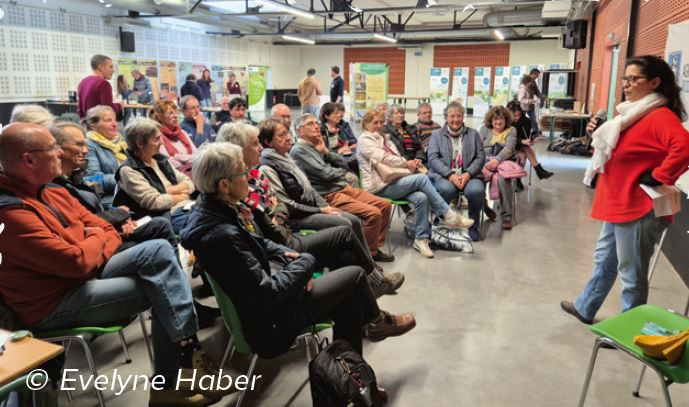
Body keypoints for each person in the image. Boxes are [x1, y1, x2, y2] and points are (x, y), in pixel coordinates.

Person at [0, 123, 225, 406]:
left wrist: (92, 237)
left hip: (84, 275)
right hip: (53, 303)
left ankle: (185, 356)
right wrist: (94, 237)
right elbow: (76, 261)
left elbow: (104, 227)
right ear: (29, 160)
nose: (59, 152)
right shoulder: (10, 212)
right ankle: (176, 373)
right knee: (164, 290)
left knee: (157, 249)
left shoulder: (52, 191)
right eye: (52, 148)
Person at [179, 142, 416, 360]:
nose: (248, 177)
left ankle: (354, 364)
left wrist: (290, 259)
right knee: (353, 277)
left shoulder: (215, 209)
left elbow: (259, 243)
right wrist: (303, 266)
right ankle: (372, 326)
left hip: (270, 292)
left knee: (345, 267)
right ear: (224, 185)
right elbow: (267, 293)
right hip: (271, 323)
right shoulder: (222, 234)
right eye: (243, 173)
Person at [561, 55, 689, 325]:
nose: (626, 85)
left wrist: (659, 175)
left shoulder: (659, 116)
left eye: (633, 79)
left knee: (631, 273)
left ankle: (629, 327)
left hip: (638, 206)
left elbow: (684, 147)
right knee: (605, 259)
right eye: (625, 79)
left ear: (654, 83)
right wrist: (597, 133)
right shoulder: (632, 114)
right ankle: (585, 307)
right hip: (618, 201)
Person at [217, 122, 403, 297]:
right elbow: (285, 206)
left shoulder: (269, 167)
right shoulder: (263, 171)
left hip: (311, 206)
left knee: (348, 247)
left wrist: (320, 204)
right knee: (348, 225)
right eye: (282, 135)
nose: (260, 148)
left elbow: (283, 201)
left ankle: (368, 290)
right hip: (296, 221)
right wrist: (314, 210)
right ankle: (374, 278)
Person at [357, 110, 474, 258]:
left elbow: (396, 157)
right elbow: (384, 158)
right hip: (378, 187)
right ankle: (447, 215)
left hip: (393, 180)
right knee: (421, 179)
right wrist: (407, 163)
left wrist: (410, 163)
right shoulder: (364, 140)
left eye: (381, 122)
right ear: (365, 124)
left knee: (421, 198)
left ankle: (420, 239)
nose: (379, 125)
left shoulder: (384, 138)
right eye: (375, 123)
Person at [258, 118, 373, 254]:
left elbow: (310, 188)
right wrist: (321, 210)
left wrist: (325, 207)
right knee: (345, 222)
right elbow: (287, 205)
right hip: (297, 216)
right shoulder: (270, 165)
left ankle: (366, 262)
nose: (288, 138)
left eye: (288, 133)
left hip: (316, 203)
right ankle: (358, 262)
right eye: (282, 135)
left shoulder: (287, 158)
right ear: (268, 142)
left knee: (354, 220)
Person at [291, 113, 395, 262]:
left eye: (316, 123)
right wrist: (341, 172)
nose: (316, 126)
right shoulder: (299, 150)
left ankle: (371, 249)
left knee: (385, 205)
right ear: (300, 131)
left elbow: (343, 162)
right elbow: (325, 173)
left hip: (342, 187)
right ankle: (365, 255)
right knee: (373, 214)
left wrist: (326, 152)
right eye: (310, 124)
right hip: (330, 194)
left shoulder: (317, 144)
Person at [114, 118, 195, 233]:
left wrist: (168, 190)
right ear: (140, 143)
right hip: (168, 216)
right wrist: (183, 196)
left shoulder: (159, 160)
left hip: (187, 207)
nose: (162, 142)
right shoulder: (129, 170)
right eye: (157, 139)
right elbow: (155, 202)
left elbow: (189, 182)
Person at [427, 102, 486, 241]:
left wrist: (468, 173)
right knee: (447, 189)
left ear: (463, 117)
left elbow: (480, 157)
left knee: (476, 190)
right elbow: (433, 158)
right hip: (444, 175)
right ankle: (439, 218)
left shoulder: (473, 134)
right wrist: (450, 175)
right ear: (446, 117)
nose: (455, 119)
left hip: (470, 175)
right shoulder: (436, 135)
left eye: (459, 116)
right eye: (452, 116)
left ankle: (473, 224)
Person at [478, 106, 519, 230]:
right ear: (491, 120)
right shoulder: (484, 129)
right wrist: (486, 162)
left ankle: (507, 215)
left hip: (504, 162)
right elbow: (477, 147)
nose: (498, 122)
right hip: (485, 162)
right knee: (477, 180)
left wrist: (496, 160)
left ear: (506, 120)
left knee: (502, 179)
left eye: (501, 118)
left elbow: (509, 149)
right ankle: (484, 207)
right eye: (495, 119)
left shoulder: (512, 130)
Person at [83, 105, 128, 207]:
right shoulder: (89, 145)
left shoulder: (121, 142)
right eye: (108, 120)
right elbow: (92, 179)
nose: (114, 124)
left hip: (129, 192)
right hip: (108, 199)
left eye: (115, 120)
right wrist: (125, 179)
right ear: (93, 125)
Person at [506, 101, 553, 183]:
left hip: (518, 145)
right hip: (507, 146)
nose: (517, 117)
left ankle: (518, 179)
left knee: (525, 150)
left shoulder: (526, 121)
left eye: (519, 115)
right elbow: (506, 138)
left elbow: (526, 137)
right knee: (523, 154)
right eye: (514, 115)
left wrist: (530, 140)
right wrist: (522, 141)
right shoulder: (505, 122)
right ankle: (538, 171)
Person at [149, 100, 197, 177]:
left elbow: (197, 156)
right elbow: (169, 163)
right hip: (174, 177)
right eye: (171, 113)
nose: (175, 116)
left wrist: (180, 158)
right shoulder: (157, 136)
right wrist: (189, 159)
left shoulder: (182, 133)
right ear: (160, 117)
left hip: (193, 173)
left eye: (176, 112)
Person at [319, 102, 358, 173]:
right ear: (326, 116)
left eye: (339, 113)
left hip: (343, 155)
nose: (339, 115)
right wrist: (339, 151)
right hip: (331, 160)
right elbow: (322, 152)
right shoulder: (322, 130)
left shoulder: (339, 127)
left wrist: (346, 147)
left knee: (359, 156)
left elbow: (347, 143)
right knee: (355, 160)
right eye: (335, 113)